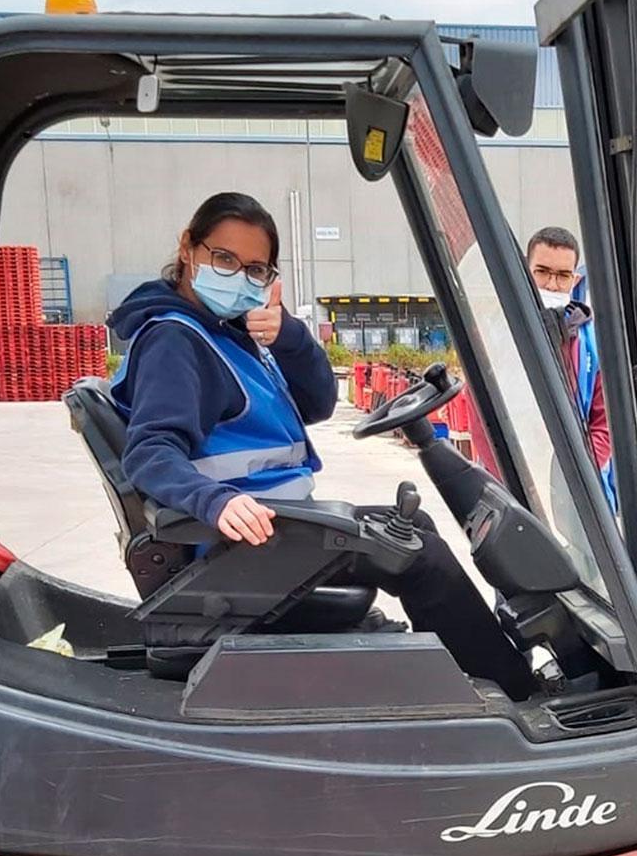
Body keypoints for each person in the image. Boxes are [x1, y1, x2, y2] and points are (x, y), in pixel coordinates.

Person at [107, 192, 535, 699]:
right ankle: (517, 695)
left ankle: (473, 682)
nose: (237, 276)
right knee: (419, 556)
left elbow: (317, 402)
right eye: (223, 259)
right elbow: (150, 451)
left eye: (254, 268)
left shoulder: (225, 334)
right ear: (188, 247)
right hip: (244, 540)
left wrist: (288, 335)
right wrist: (214, 500)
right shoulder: (177, 342)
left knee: (414, 528)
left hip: (278, 525)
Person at [524, 227, 612, 477]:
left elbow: (604, 424)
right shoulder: (498, 334)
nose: (552, 285)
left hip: (569, 481)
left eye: (562, 276)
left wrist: (572, 476)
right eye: (542, 272)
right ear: (526, 273)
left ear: (574, 280)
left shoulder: (591, 344)